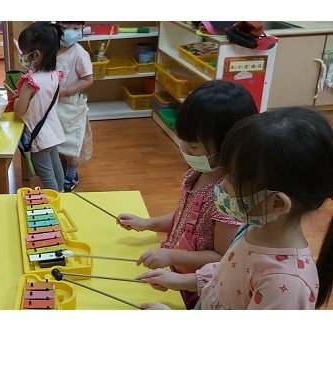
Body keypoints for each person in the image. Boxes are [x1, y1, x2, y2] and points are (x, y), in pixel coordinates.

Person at [136, 107, 333, 310]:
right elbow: (226, 277)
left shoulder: (286, 284)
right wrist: (178, 281)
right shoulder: (253, 227)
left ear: (277, 203)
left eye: (232, 179)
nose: (221, 184)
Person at [117, 80, 258, 309]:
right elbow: (186, 219)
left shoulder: (227, 198)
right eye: (183, 140)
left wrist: (171, 257)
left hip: (193, 290)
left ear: (228, 146)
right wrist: (147, 223)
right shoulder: (199, 172)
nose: (183, 148)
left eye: (193, 147)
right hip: (173, 276)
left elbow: (221, 258)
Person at [14, 21, 65, 192]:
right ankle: (63, 195)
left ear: (36, 55)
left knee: (47, 178)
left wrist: (18, 100)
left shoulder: (30, 82)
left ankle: (55, 202)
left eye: (24, 54)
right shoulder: (54, 75)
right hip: (53, 131)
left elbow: (19, 111)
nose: (23, 57)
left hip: (38, 137)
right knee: (57, 170)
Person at [55, 21, 94, 191]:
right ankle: (62, 167)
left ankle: (72, 172)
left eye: (76, 28)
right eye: (65, 28)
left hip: (71, 104)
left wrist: (67, 90)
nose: (70, 32)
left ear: (82, 29)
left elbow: (88, 79)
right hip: (53, 103)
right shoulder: (51, 49)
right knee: (55, 140)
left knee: (70, 142)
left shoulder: (79, 53)